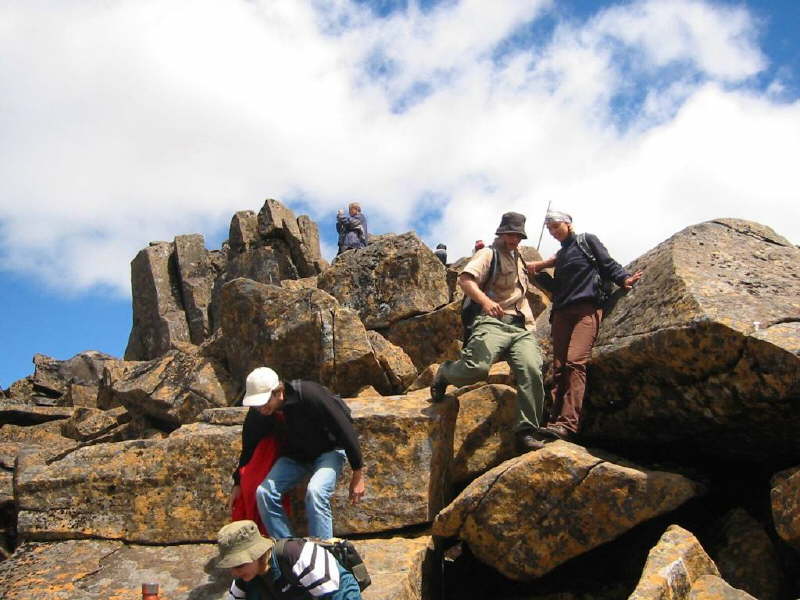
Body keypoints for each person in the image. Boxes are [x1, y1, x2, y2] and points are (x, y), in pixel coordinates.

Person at [430, 212, 547, 453]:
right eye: (510, 234)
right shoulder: (487, 254)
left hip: (522, 326)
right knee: (477, 368)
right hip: (492, 321)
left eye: (518, 235)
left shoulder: (521, 259)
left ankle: (526, 431)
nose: (514, 239)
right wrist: (485, 301)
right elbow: (465, 280)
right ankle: (445, 373)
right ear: (501, 233)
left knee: (532, 370)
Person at [528, 210, 642, 441]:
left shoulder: (586, 241)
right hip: (561, 313)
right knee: (559, 368)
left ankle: (567, 424)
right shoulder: (562, 255)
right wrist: (536, 274)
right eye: (549, 228)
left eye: (555, 226)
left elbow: (606, 263)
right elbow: (557, 288)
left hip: (586, 309)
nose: (552, 231)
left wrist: (623, 278)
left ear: (568, 224)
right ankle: (553, 422)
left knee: (574, 362)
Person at [230, 367, 365, 540]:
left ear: (279, 392)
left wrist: (358, 473)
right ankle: (290, 549)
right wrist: (238, 482)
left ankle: (323, 554)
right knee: (264, 493)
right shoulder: (260, 413)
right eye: (257, 405)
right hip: (295, 458)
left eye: (264, 403)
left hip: (328, 452)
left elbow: (344, 428)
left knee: (316, 492)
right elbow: (249, 446)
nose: (261, 409)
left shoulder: (309, 394)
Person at [217, 520, 362, 600]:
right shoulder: (244, 580)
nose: (234, 573)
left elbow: (333, 593)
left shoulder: (297, 555)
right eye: (231, 566)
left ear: (257, 554)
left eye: (239, 565)